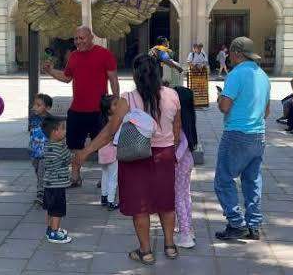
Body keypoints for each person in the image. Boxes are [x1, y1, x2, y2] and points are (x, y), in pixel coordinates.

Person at [75, 55, 181, 265]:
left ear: (135, 75)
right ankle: (170, 246)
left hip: (135, 157)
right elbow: (177, 128)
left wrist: (86, 151)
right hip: (165, 155)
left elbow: (108, 132)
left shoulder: (128, 100)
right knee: (166, 202)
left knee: (140, 206)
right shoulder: (172, 95)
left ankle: (146, 251)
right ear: (159, 73)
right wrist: (171, 148)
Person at [43, 26, 119, 187]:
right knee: (75, 145)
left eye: (82, 38)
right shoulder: (74, 57)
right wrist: (50, 71)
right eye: (76, 38)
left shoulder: (104, 54)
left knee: (103, 145)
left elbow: (113, 79)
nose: (78, 42)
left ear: (91, 37)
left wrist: (116, 103)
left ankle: (105, 177)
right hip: (77, 110)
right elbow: (66, 77)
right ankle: (76, 176)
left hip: (99, 111)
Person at [214, 37, 271, 241]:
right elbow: (266, 112)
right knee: (252, 180)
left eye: (230, 53)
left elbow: (225, 107)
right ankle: (254, 225)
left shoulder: (236, 74)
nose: (228, 57)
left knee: (223, 179)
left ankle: (236, 223)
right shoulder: (262, 75)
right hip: (258, 135)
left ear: (236, 53)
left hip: (237, 133)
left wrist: (220, 98)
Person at [41, 116, 73, 244]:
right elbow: (68, 158)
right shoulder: (59, 148)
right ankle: (54, 232)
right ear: (55, 132)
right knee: (58, 210)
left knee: (51, 209)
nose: (66, 131)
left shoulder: (48, 145)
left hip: (49, 184)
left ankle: (50, 229)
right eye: (63, 129)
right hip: (57, 185)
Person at [173, 85, 198, 249]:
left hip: (180, 163)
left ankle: (185, 234)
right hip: (188, 161)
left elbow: (184, 142)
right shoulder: (189, 119)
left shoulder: (179, 121)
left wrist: (174, 158)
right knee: (185, 194)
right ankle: (188, 228)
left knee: (177, 197)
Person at [29, 93, 53, 206]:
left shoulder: (50, 120)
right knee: (37, 171)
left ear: (47, 108)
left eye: (39, 105)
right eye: (35, 104)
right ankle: (45, 187)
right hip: (35, 152)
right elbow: (32, 133)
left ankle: (40, 194)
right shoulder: (33, 118)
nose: (35, 107)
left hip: (46, 152)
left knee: (41, 172)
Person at [98, 94, 119, 210]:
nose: (119, 106)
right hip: (112, 151)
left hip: (102, 150)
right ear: (108, 109)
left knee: (105, 175)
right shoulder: (114, 120)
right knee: (113, 177)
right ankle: (111, 201)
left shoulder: (101, 120)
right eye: (115, 104)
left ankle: (104, 197)